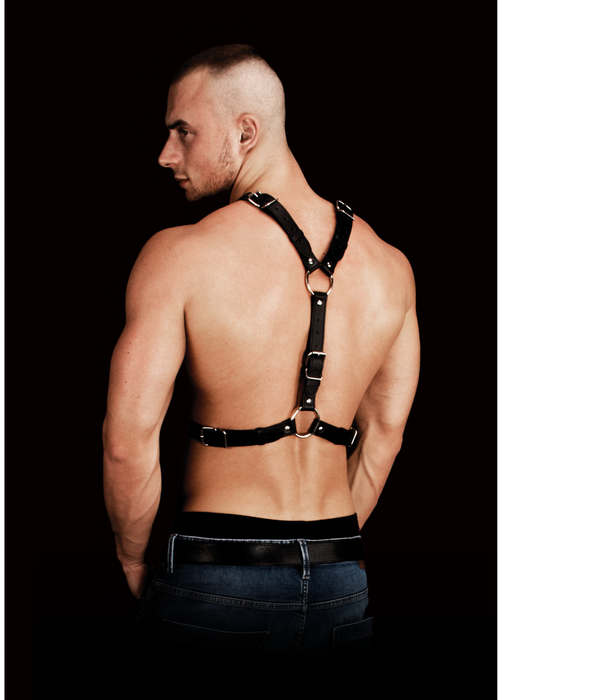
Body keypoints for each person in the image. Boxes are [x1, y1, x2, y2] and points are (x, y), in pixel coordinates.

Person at [102, 44, 419, 657]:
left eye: (183, 131)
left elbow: (127, 443)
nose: (166, 154)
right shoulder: (391, 267)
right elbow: (384, 438)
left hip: (215, 574)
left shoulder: (179, 255)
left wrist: (133, 559)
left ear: (245, 132)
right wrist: (318, 557)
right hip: (341, 579)